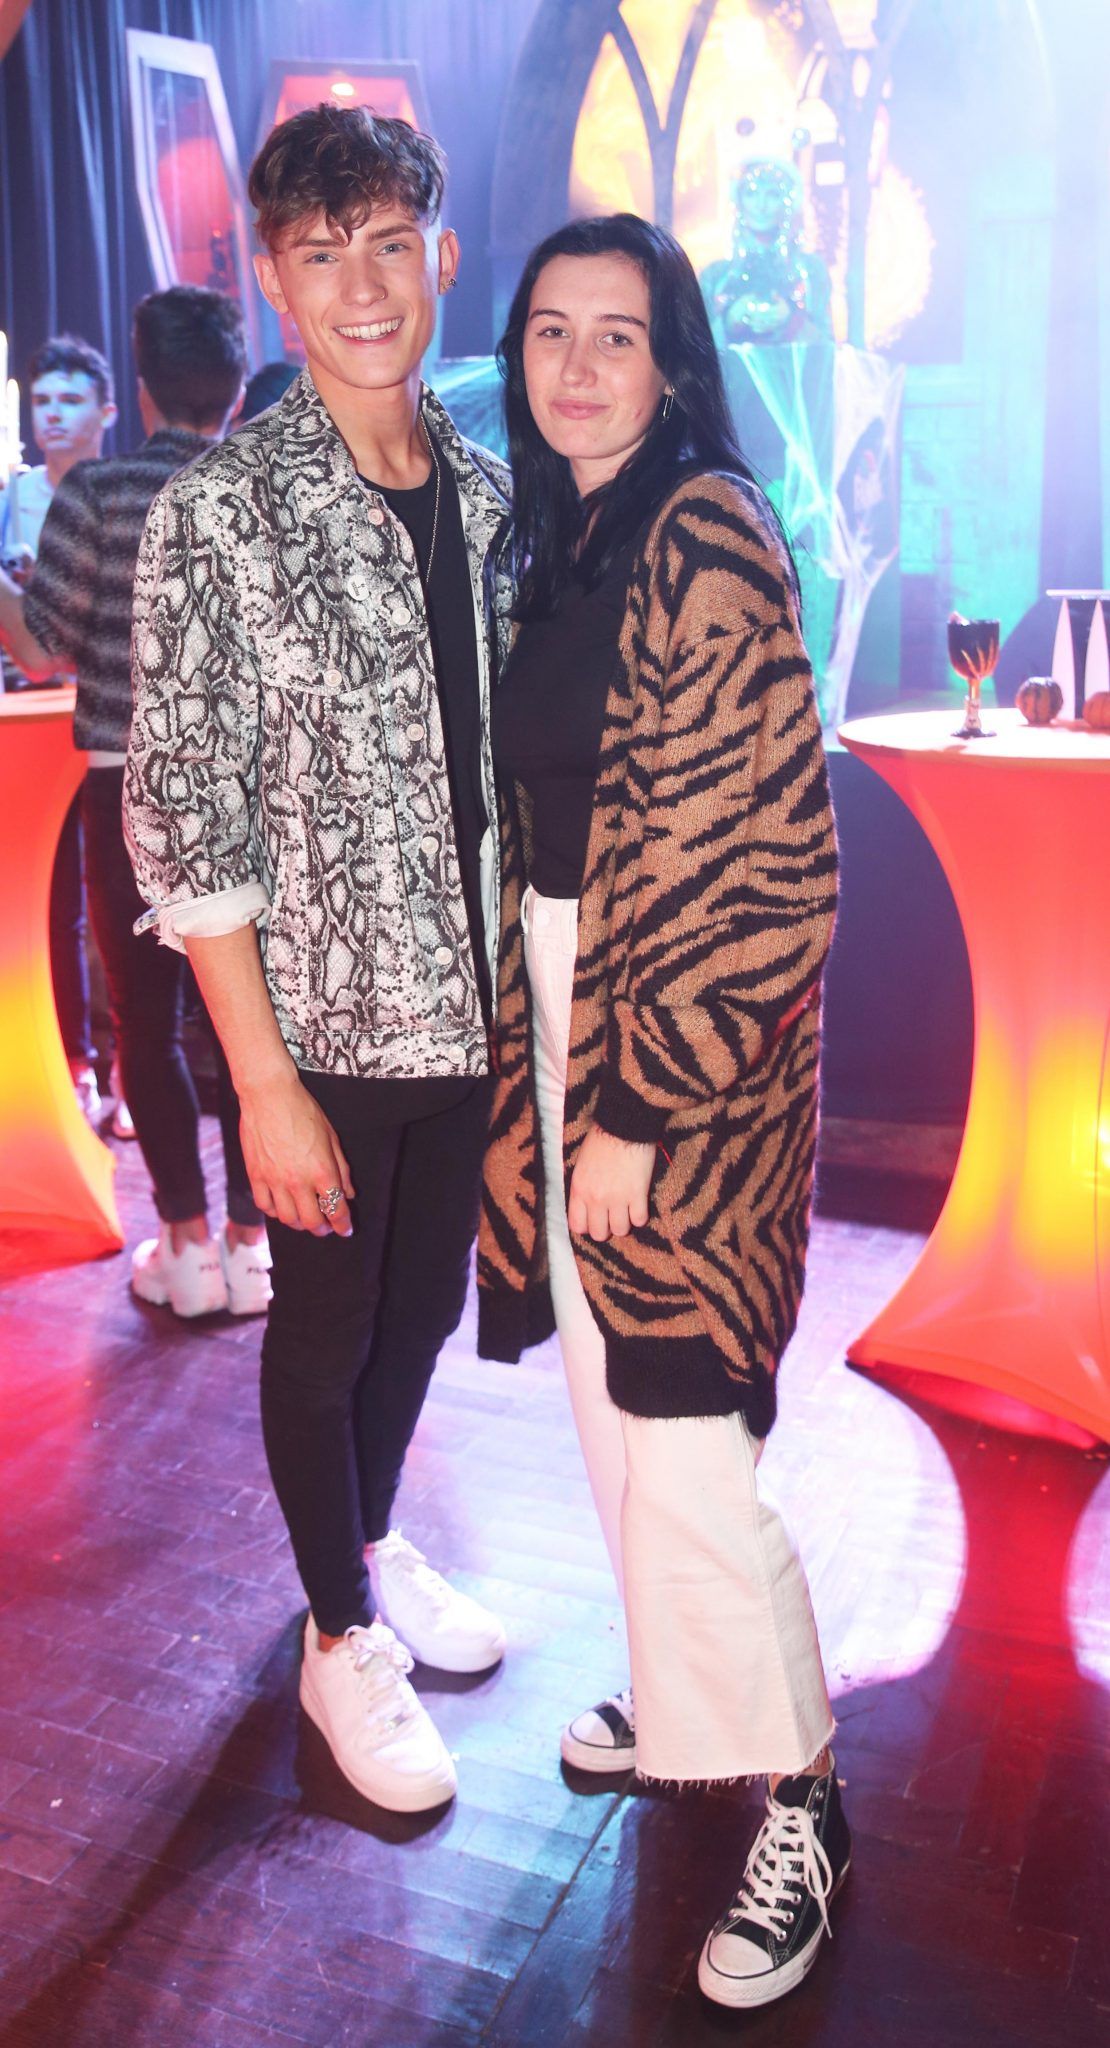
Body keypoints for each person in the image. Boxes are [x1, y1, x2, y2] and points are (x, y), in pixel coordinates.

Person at [124, 105, 510, 1817]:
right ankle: (337, 1631)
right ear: (275, 286)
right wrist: (261, 1082)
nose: (361, 285)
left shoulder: (488, 494)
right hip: (318, 1026)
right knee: (328, 1325)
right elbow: (184, 813)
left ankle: (364, 1534)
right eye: (318, 252)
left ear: (441, 255)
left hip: (468, 1012)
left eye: (388, 244)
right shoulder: (220, 512)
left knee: (423, 1309)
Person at [481, 213, 846, 2010]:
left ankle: (802, 1792)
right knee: (611, 1400)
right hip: (567, 993)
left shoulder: (703, 531)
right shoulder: (561, 531)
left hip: (672, 1045)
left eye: (614, 335)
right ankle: (688, 1689)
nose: (575, 365)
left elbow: (763, 864)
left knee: (683, 1421)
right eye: (549, 330)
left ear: (671, 362)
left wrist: (637, 1097)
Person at [0, 288, 270, 1319]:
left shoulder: (102, 490)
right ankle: (253, 1246)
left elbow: (39, 648)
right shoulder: (270, 494)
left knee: (146, 1029)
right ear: (234, 392)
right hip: (253, 797)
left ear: (142, 388)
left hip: (128, 787)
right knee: (250, 1029)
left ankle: (188, 1247)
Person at [0, 335, 118, 1123]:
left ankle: (121, 1066)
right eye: (42, 400)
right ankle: (71, 1064)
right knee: (49, 904)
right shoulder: (12, 496)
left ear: (105, 413)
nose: (53, 413)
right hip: (29, 718)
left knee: (114, 904)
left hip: (104, 715)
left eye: (70, 400)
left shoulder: (118, 491)